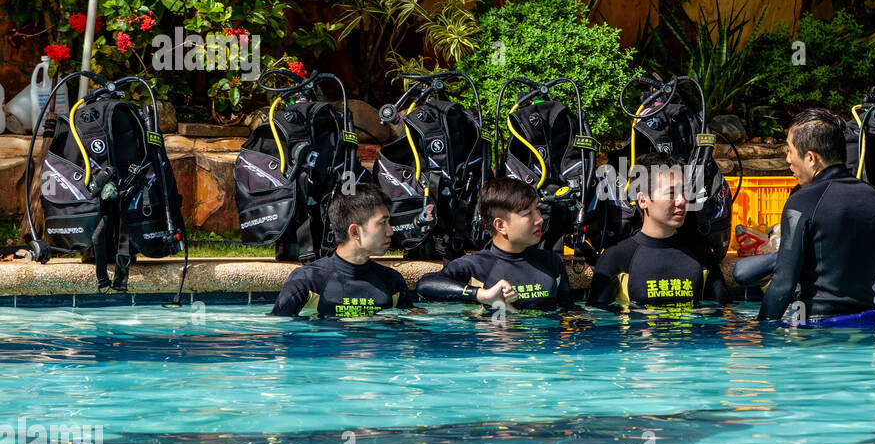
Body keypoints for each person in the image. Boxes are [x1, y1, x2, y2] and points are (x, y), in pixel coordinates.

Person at [758, 108, 875, 323]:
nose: (788, 159)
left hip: (816, 327)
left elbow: (783, 284)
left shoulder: (801, 201)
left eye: (789, 151)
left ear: (811, 158)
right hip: (866, 322)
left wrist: (761, 334)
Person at [588, 151, 729, 310]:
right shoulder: (616, 259)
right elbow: (598, 323)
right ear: (642, 200)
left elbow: (721, 314)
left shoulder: (700, 255)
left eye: (684, 192)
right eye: (671, 193)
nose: (682, 200)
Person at [416, 177, 572, 312]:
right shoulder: (475, 266)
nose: (539, 219)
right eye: (528, 214)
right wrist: (481, 295)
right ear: (500, 225)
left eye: (537, 209)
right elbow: (425, 286)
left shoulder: (551, 263)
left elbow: (568, 312)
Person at [271, 183, 413, 318]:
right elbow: (278, 330)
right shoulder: (307, 282)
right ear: (355, 232)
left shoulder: (393, 282)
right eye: (383, 223)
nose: (390, 231)